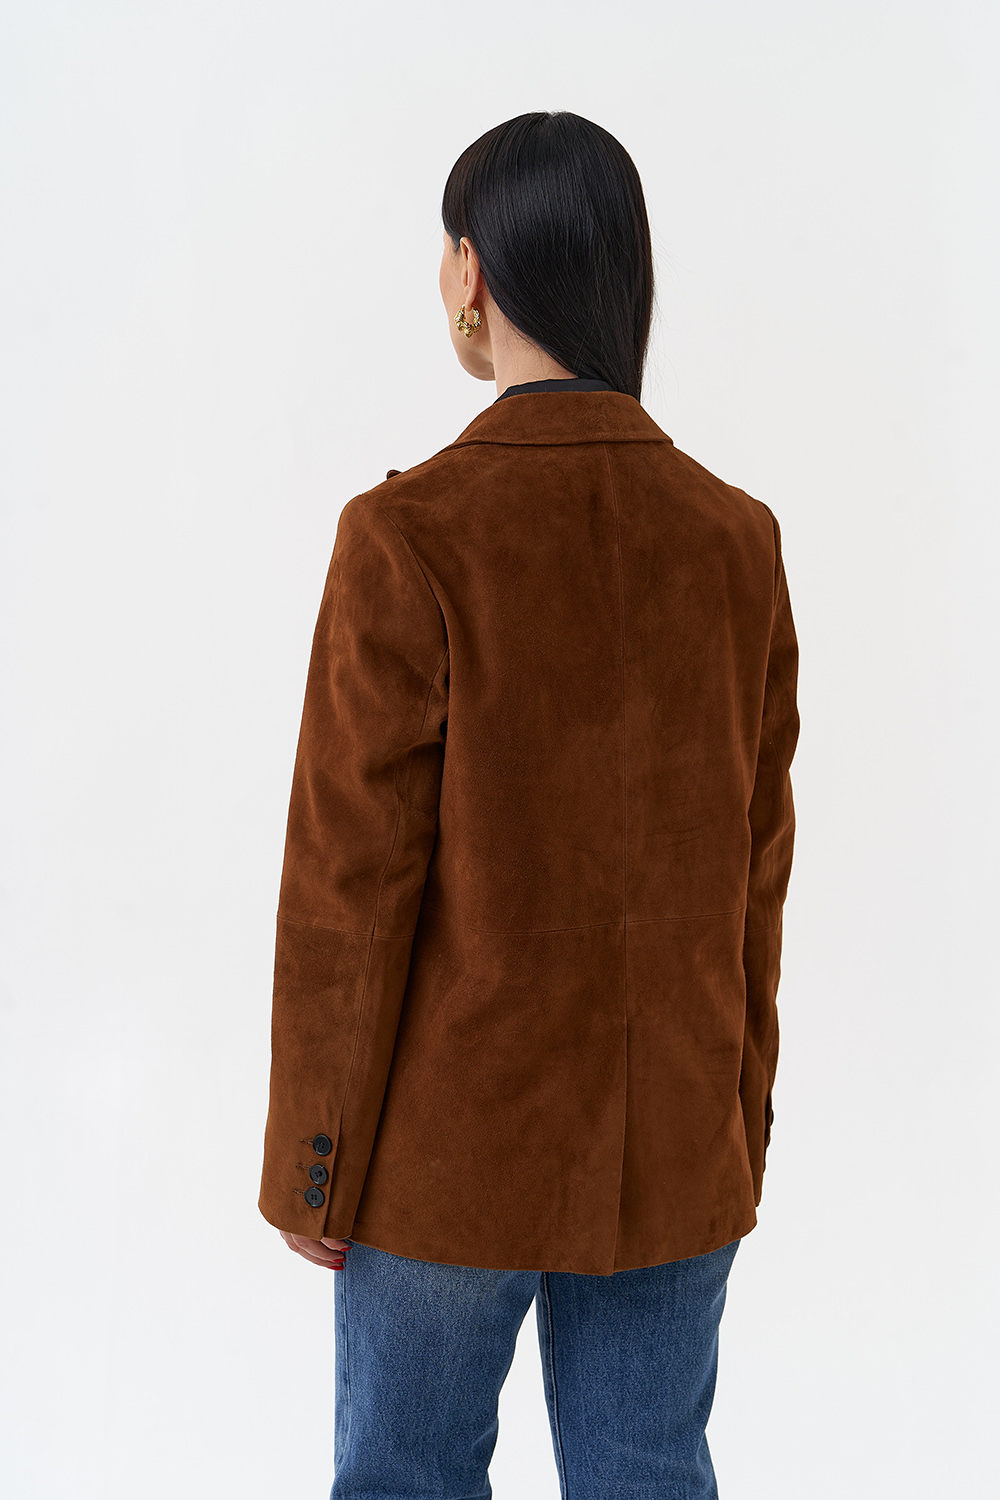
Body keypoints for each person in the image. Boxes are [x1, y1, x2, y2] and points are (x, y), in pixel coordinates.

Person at [258, 110, 800, 1498]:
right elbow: (756, 871)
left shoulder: (408, 537)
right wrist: (736, 1124)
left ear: (470, 272)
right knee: (647, 1472)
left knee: (406, 1479)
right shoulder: (736, 542)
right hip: (672, 1140)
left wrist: (316, 1161)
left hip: (446, 1154)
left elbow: (349, 890)